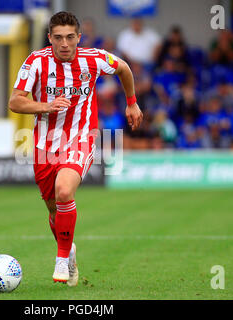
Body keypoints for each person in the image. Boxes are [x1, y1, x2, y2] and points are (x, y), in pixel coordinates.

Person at [9, 11, 143, 285]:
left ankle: (60, 259)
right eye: (58, 38)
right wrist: (45, 106)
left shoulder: (94, 58)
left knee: (64, 191)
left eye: (70, 37)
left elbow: (124, 68)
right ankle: (69, 251)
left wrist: (131, 102)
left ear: (78, 37)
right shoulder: (36, 61)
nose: (65, 44)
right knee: (53, 209)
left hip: (81, 137)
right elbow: (15, 102)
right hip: (44, 144)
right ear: (50, 38)